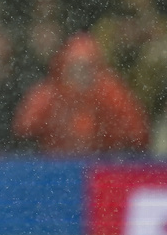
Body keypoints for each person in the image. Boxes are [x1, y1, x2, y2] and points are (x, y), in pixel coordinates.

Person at [12, 31, 149, 154]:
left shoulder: (113, 94)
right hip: (55, 168)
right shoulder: (48, 94)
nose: (81, 75)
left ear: (98, 69)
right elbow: (23, 132)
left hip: (104, 167)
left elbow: (137, 135)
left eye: (87, 68)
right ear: (63, 68)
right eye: (75, 69)